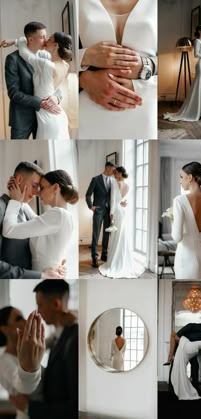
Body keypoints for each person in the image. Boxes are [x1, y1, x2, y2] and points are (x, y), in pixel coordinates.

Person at [79, 0, 157, 139]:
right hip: (90, 106)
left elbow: (169, 58)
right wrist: (82, 75)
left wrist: (149, 65)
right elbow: (56, 58)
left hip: (143, 106)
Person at [9, 280, 78, 419]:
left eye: (40, 305)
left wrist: (29, 407)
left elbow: (76, 407)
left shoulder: (73, 340)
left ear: (56, 304)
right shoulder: (59, 337)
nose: (38, 311)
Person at [3, 169, 79, 275]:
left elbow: (9, 230)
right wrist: (18, 193)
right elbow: (34, 219)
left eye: (42, 187)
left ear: (55, 188)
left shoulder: (58, 215)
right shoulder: (63, 216)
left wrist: (15, 201)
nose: (38, 193)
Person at [2, 26, 73, 140]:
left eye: (47, 38)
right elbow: (14, 93)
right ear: (30, 39)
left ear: (56, 45)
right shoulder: (13, 59)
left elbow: (57, 87)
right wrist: (40, 102)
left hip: (47, 117)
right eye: (42, 37)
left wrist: (56, 97)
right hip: (23, 119)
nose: (45, 41)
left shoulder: (46, 57)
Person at [171, 162, 201, 279]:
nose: (180, 181)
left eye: (181, 177)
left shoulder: (179, 201)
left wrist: (174, 222)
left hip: (186, 257)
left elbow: (177, 237)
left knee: (185, 294)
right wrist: (196, 236)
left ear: (190, 177)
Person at [99, 166, 145, 278]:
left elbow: (113, 200)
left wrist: (111, 213)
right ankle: (123, 259)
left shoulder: (116, 183)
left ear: (119, 173)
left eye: (115, 173)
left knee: (116, 235)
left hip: (117, 211)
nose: (114, 175)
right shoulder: (127, 185)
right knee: (122, 235)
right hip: (123, 211)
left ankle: (115, 260)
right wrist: (122, 203)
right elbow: (122, 199)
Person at [163, 25, 201, 122]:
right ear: (199, 31)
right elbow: (196, 54)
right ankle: (197, 111)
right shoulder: (197, 41)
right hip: (200, 64)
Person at [0, 307, 45, 419]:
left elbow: (50, 341)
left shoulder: (23, 353)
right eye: (18, 319)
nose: (25, 321)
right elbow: (23, 385)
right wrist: (29, 370)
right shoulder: (4, 361)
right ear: (5, 329)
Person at [86, 161, 116, 268]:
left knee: (106, 233)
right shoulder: (95, 179)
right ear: (107, 168)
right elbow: (88, 194)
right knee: (96, 233)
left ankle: (104, 254)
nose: (113, 172)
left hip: (108, 211)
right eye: (113, 170)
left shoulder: (113, 180)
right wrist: (91, 206)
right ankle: (94, 256)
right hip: (98, 210)